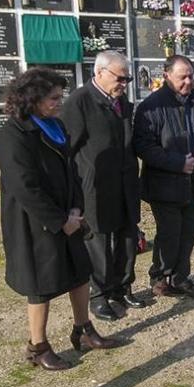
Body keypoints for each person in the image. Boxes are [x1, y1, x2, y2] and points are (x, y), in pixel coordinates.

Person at [0, 68, 119, 371]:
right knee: (41, 284)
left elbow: (71, 170)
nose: (59, 102)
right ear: (31, 99)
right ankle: (38, 346)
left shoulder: (55, 126)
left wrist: (76, 210)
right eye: (53, 98)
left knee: (79, 273)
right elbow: (24, 187)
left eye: (60, 96)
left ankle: (83, 330)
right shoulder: (14, 135)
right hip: (36, 224)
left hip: (69, 216)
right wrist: (59, 220)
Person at [62, 51, 144, 321]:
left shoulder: (121, 102)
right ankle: (99, 295)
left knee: (127, 237)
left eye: (127, 79)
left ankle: (122, 287)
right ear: (99, 73)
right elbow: (69, 150)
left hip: (125, 183)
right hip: (95, 186)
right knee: (98, 242)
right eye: (120, 78)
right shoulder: (79, 102)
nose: (124, 84)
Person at [133, 55, 194, 299]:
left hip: (192, 183)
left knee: (190, 232)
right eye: (183, 76)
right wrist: (177, 163)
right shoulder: (151, 106)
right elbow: (143, 146)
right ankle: (160, 277)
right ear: (167, 75)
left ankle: (180, 277)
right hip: (164, 185)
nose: (188, 81)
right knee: (170, 234)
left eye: (191, 75)